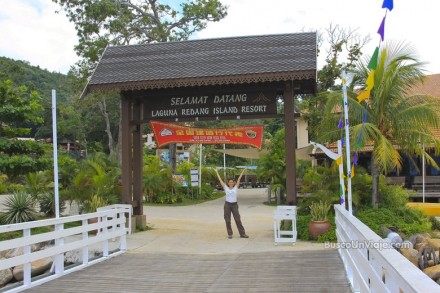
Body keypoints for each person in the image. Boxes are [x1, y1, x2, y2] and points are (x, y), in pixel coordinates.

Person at [214, 168, 249, 239]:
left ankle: (242, 234)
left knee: (238, 219)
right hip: (227, 205)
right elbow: (220, 180)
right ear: (228, 183)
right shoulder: (226, 188)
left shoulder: (235, 188)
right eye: (229, 182)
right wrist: (216, 172)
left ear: (233, 183)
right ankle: (230, 234)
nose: (231, 183)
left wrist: (242, 171)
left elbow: (239, 179)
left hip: (234, 205)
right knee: (227, 220)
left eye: (232, 182)